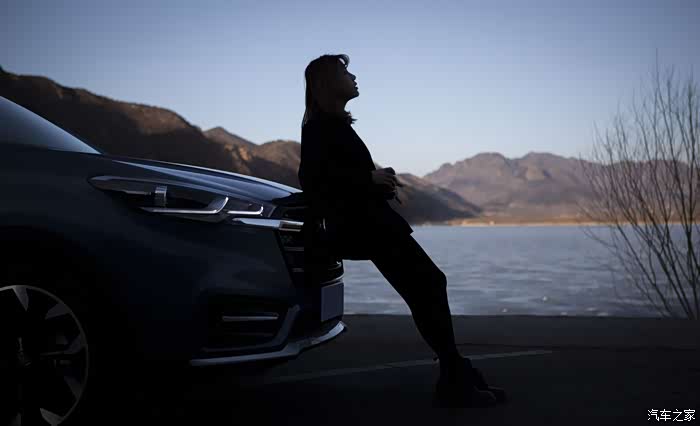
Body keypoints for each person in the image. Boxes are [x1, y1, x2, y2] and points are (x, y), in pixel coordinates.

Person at [297, 53, 506, 407]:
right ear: (325, 83)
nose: (354, 76)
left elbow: (337, 178)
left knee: (427, 288)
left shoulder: (334, 125)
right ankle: (455, 379)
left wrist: (379, 183)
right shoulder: (319, 128)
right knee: (429, 285)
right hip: (370, 229)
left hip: (375, 225)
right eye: (345, 71)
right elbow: (313, 182)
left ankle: (455, 374)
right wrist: (368, 179)